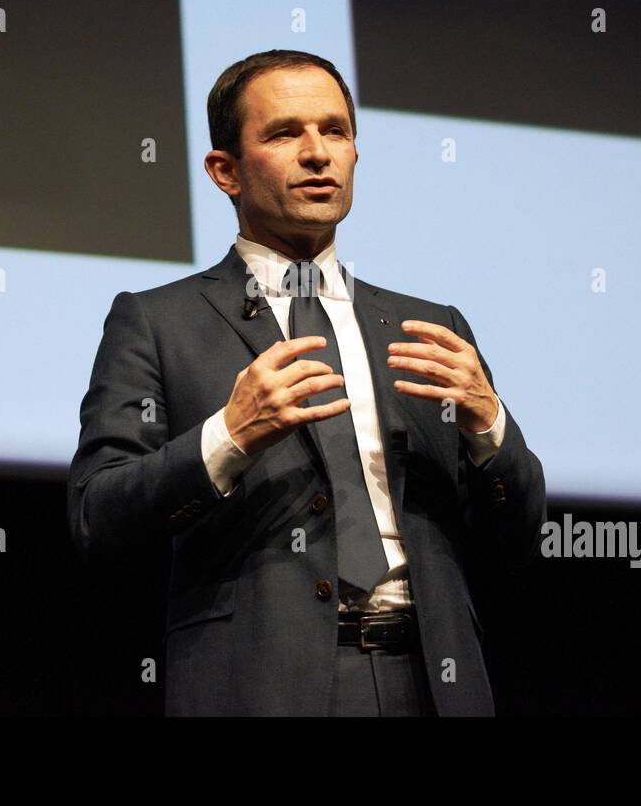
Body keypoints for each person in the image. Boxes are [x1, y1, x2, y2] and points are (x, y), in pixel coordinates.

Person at [67, 49, 545, 716]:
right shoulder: (156, 322)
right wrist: (228, 436)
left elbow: (516, 539)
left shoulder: (431, 327)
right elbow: (98, 518)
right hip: (264, 683)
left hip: (433, 683)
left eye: (335, 131)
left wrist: (491, 428)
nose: (318, 153)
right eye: (285, 133)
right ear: (224, 170)